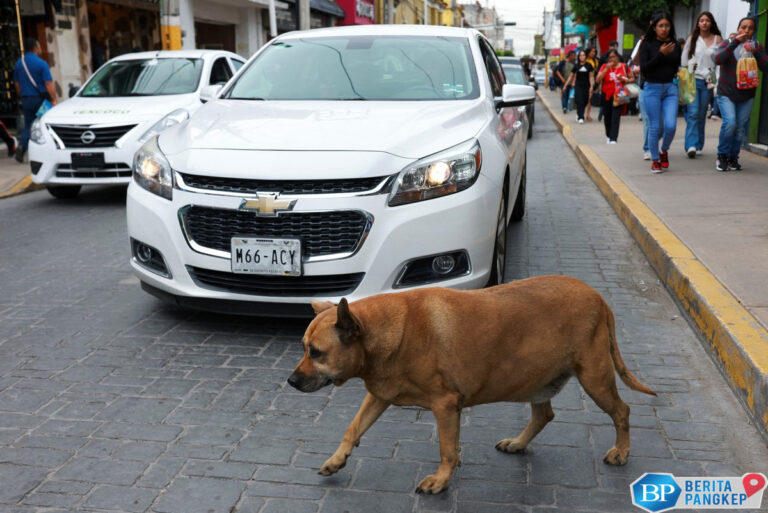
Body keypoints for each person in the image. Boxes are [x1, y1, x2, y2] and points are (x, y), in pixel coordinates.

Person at [713, 17, 768, 171]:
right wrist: (735, 43)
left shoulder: (756, 46)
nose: (746, 31)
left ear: (754, 31)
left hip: (747, 94)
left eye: (750, 28)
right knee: (730, 123)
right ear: (738, 29)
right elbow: (718, 59)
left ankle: (732, 157)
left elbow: (765, 66)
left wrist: (756, 53)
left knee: (740, 127)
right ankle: (722, 155)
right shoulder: (727, 43)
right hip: (727, 92)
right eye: (743, 27)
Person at [639, 11, 682, 173]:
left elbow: (676, 66)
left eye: (667, 25)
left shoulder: (675, 44)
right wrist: (661, 55)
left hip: (670, 88)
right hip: (652, 88)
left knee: (671, 126)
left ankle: (664, 150)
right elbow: (644, 68)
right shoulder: (647, 44)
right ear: (654, 27)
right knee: (655, 126)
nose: (664, 29)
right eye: (661, 26)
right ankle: (655, 159)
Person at [681, 12, 722, 159]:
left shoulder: (718, 39)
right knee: (693, 113)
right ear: (698, 23)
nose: (704, 23)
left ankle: (698, 144)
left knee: (701, 114)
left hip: (709, 81)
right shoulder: (692, 39)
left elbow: (720, 61)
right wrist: (691, 68)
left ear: (711, 23)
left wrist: (716, 80)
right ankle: (690, 145)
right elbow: (684, 61)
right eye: (701, 20)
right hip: (693, 79)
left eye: (707, 20)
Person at [13, 37, 58, 163]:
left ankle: (22, 147)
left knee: (29, 125)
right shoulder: (41, 63)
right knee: (45, 124)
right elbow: (48, 83)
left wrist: (23, 95)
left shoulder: (18, 64)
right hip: (40, 100)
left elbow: (17, 85)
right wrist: (54, 99)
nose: (40, 48)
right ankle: (46, 151)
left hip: (26, 99)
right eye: (39, 46)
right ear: (35, 47)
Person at [596, 49, 634, 144]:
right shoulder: (604, 66)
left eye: (613, 57)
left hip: (619, 94)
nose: (611, 59)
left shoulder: (624, 66)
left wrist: (625, 80)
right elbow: (598, 80)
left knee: (616, 117)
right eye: (609, 57)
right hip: (606, 94)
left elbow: (632, 78)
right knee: (607, 117)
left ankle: (613, 138)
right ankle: (608, 135)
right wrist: (606, 69)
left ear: (617, 57)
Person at [567, 50, 594, 124]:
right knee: (580, 101)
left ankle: (579, 113)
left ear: (585, 56)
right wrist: (566, 85)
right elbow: (571, 76)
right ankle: (581, 117)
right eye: (580, 55)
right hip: (578, 85)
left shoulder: (589, 65)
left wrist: (591, 86)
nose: (582, 57)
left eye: (583, 55)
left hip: (586, 86)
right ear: (578, 57)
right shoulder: (576, 66)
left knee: (585, 101)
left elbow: (591, 77)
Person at [585, 47, 599, 121]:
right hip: (584, 80)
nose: (593, 53)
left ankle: (587, 114)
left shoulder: (596, 60)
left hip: (592, 80)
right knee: (584, 98)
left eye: (594, 52)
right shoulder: (585, 60)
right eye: (592, 51)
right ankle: (581, 113)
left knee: (589, 98)